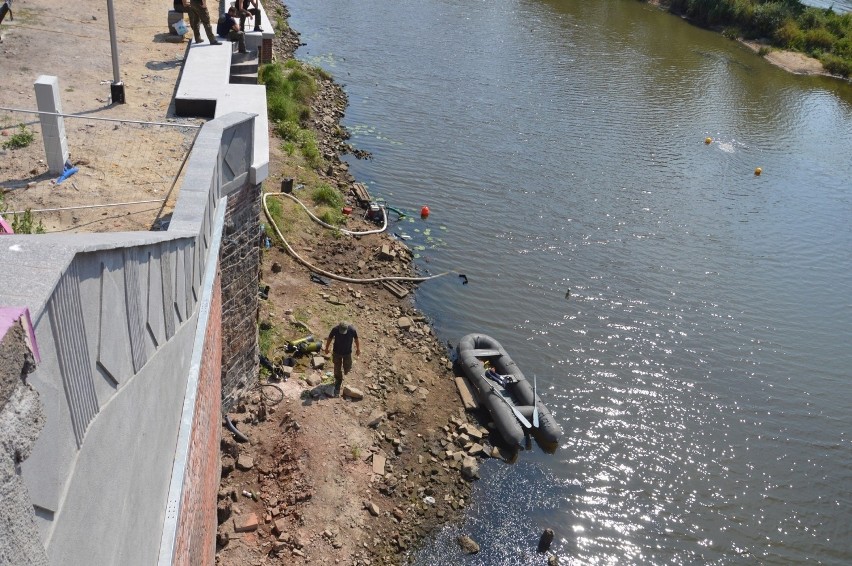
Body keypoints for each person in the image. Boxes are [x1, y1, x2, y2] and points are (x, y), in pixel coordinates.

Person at [323, 321, 360, 397]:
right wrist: (326, 348)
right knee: (337, 367)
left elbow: (356, 339)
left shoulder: (352, 330)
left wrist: (358, 349)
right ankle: (338, 380)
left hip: (347, 353)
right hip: (337, 352)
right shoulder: (335, 329)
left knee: (348, 366)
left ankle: (346, 371)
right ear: (339, 327)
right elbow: (329, 338)